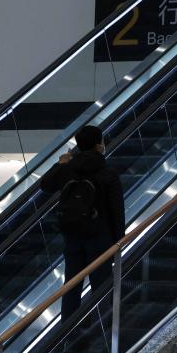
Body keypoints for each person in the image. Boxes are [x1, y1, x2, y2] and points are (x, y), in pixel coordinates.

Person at [40, 125, 124, 322]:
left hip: (73, 238)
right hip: (100, 239)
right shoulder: (107, 173)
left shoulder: (67, 170)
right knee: (101, 289)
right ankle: (102, 330)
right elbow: (116, 211)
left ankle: (67, 333)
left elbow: (45, 185)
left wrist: (61, 163)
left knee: (71, 287)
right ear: (99, 145)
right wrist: (118, 242)